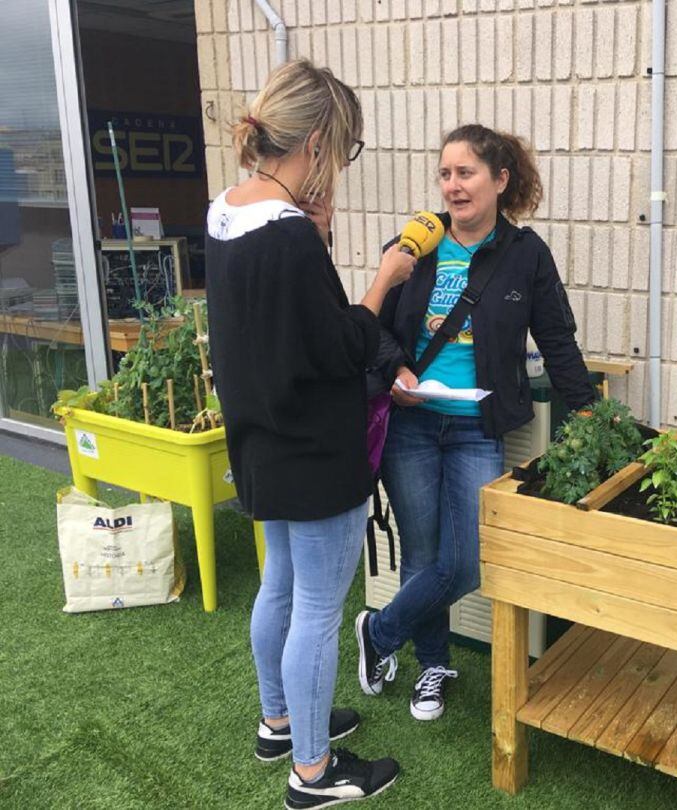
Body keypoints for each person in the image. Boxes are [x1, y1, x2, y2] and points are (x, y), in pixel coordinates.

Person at [205, 59, 414, 809]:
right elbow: (340, 344)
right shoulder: (290, 234)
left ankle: (280, 722)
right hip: (316, 449)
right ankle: (315, 773)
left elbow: (274, 331)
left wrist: (316, 237)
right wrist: (384, 276)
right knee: (319, 612)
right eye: (344, 149)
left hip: (260, 439)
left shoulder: (223, 211)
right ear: (319, 141)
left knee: (280, 589)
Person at [354, 124, 595, 721]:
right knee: (422, 551)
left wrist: (590, 412)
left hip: (474, 427)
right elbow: (373, 332)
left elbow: (557, 340)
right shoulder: (413, 246)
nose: (453, 186)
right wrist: (399, 371)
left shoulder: (525, 254)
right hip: (410, 426)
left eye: (466, 173)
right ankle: (431, 666)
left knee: (465, 562)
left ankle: (378, 633)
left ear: (500, 180)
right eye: (445, 174)